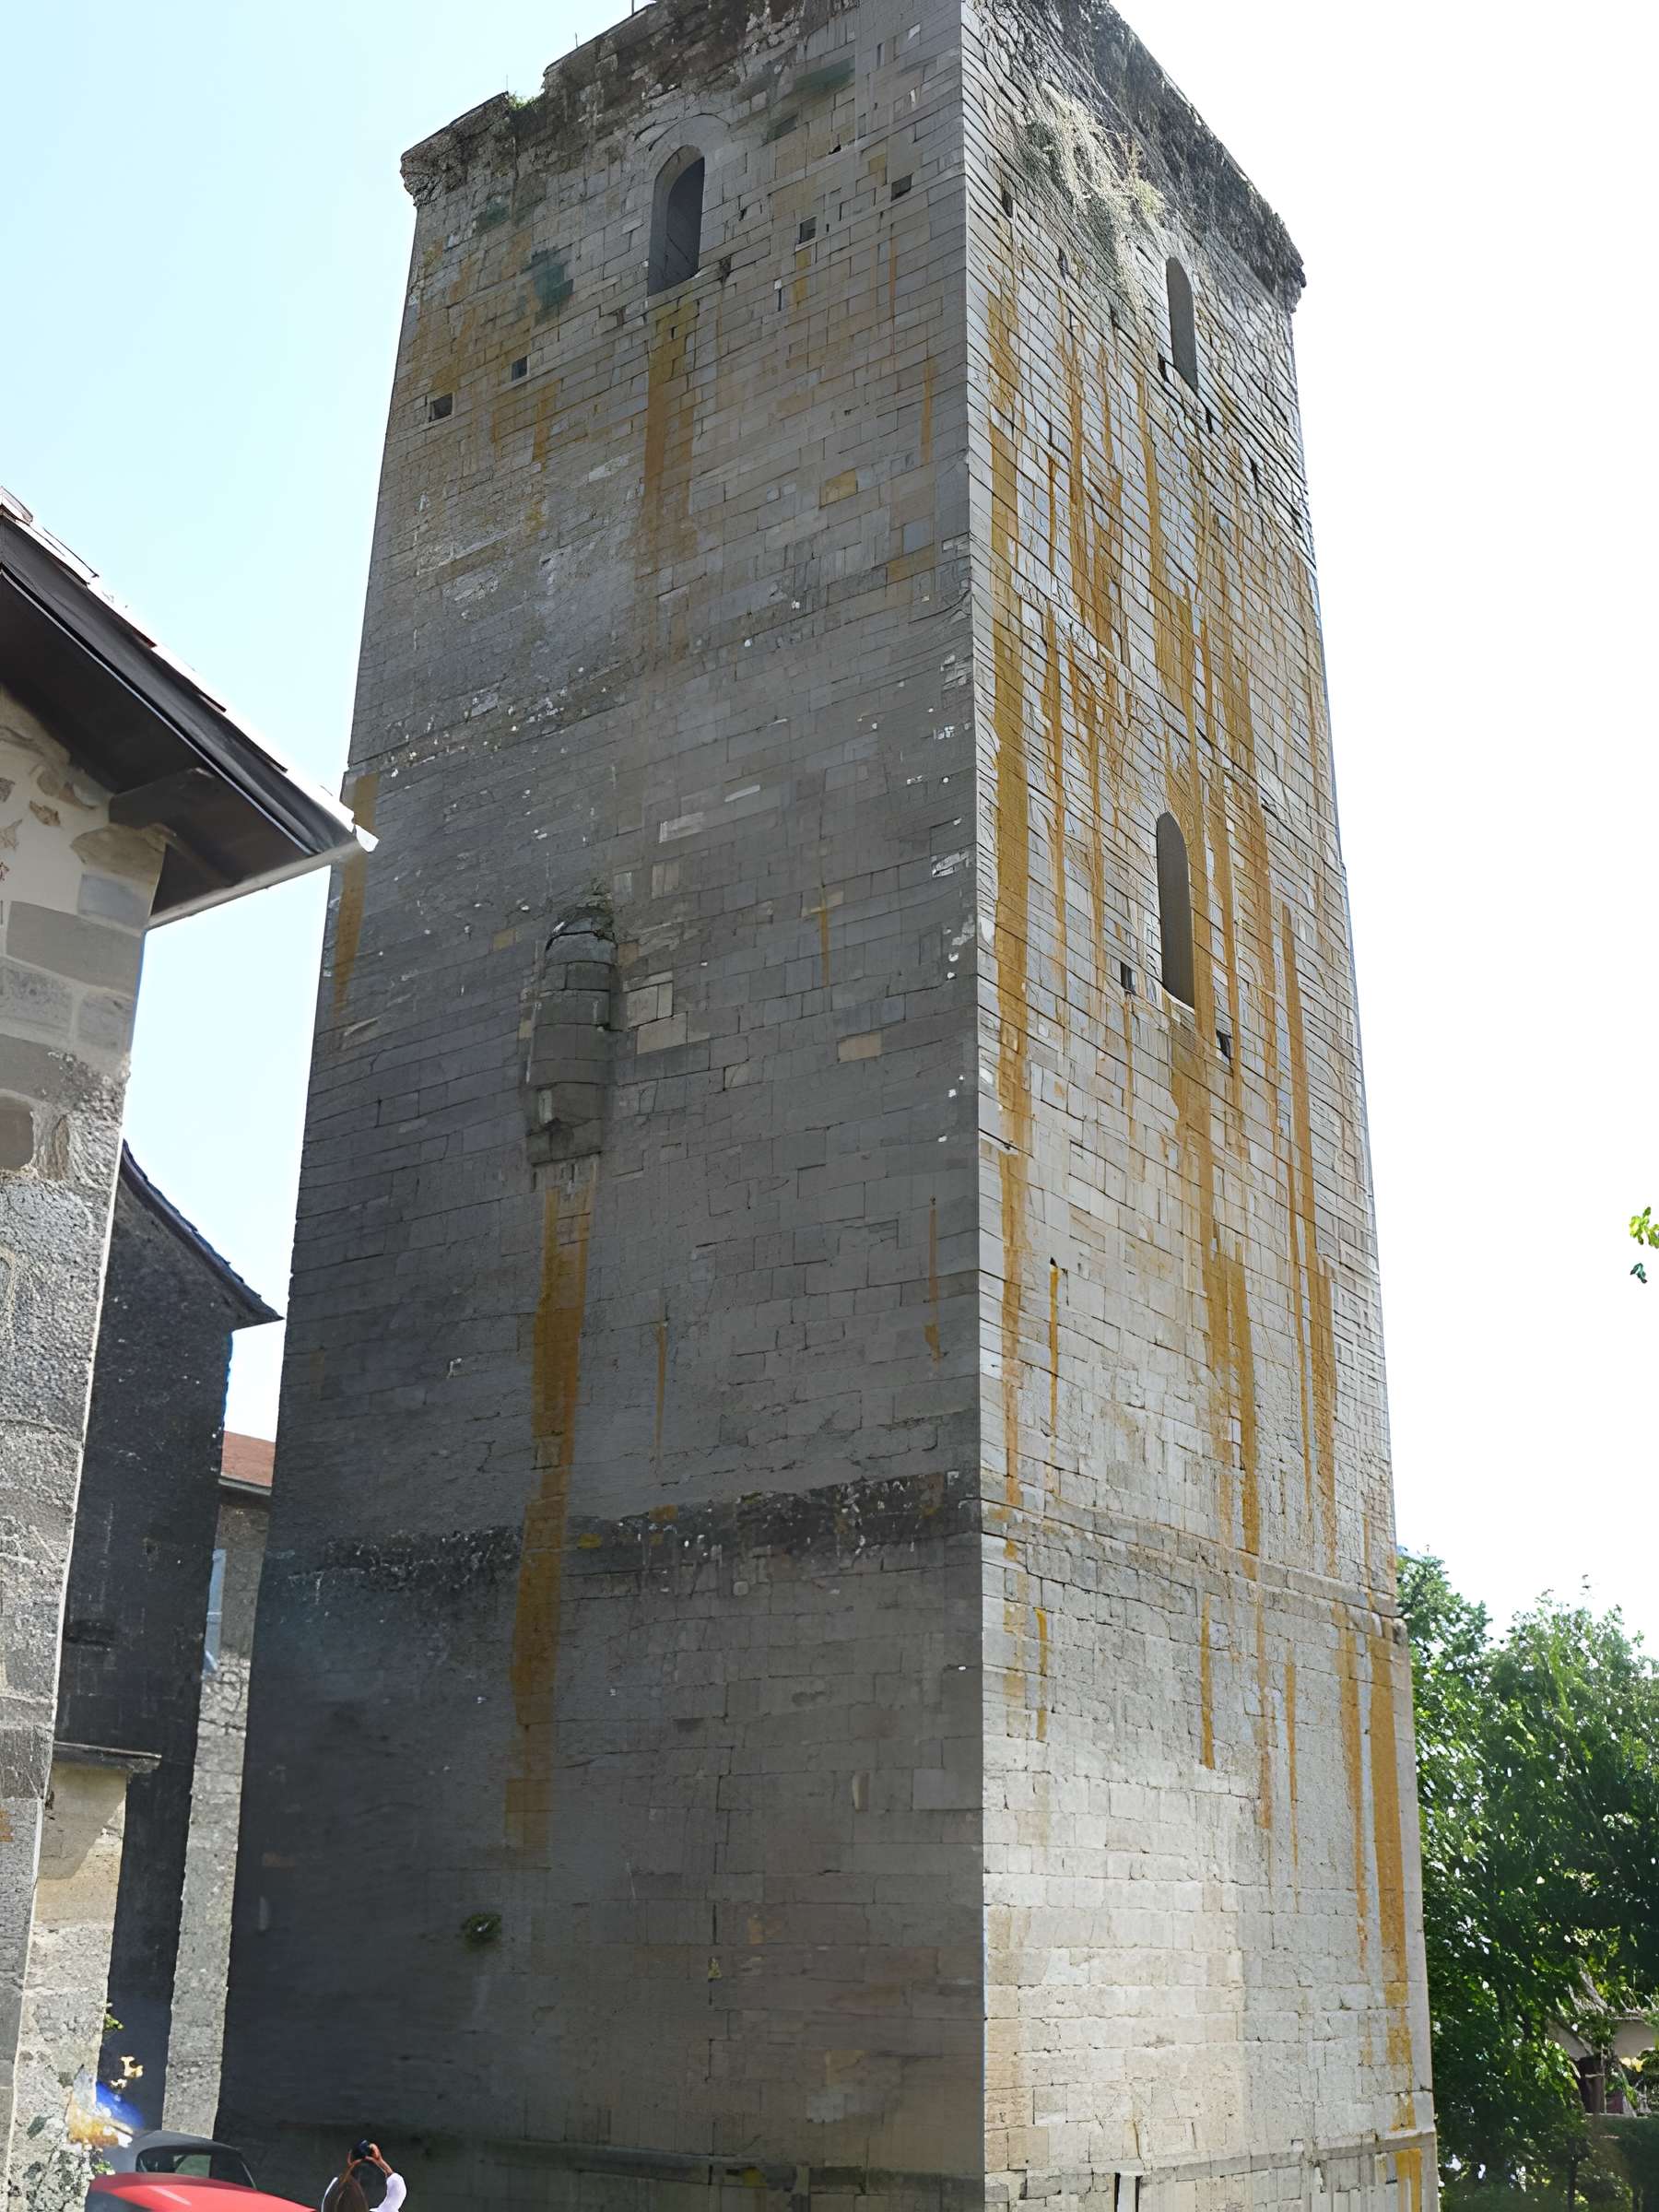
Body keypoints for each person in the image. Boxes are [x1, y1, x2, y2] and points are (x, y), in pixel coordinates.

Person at [321, 2140, 406, 2212]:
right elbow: (397, 2190)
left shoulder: (332, 2202)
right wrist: (380, 2161)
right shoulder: (384, 2210)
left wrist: (352, 2165)